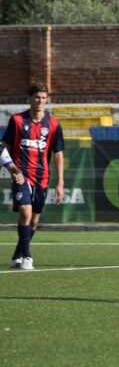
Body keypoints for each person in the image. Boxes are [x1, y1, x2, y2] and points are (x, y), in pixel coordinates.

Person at [2, 83, 65, 270]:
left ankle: (17, 256)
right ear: (29, 99)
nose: (40, 101)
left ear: (47, 100)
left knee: (35, 220)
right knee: (25, 213)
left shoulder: (53, 124)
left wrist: (60, 182)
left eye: (43, 98)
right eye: (37, 97)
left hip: (42, 177)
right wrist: (12, 169)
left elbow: (58, 154)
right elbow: (4, 148)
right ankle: (28, 257)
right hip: (22, 175)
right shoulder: (17, 121)